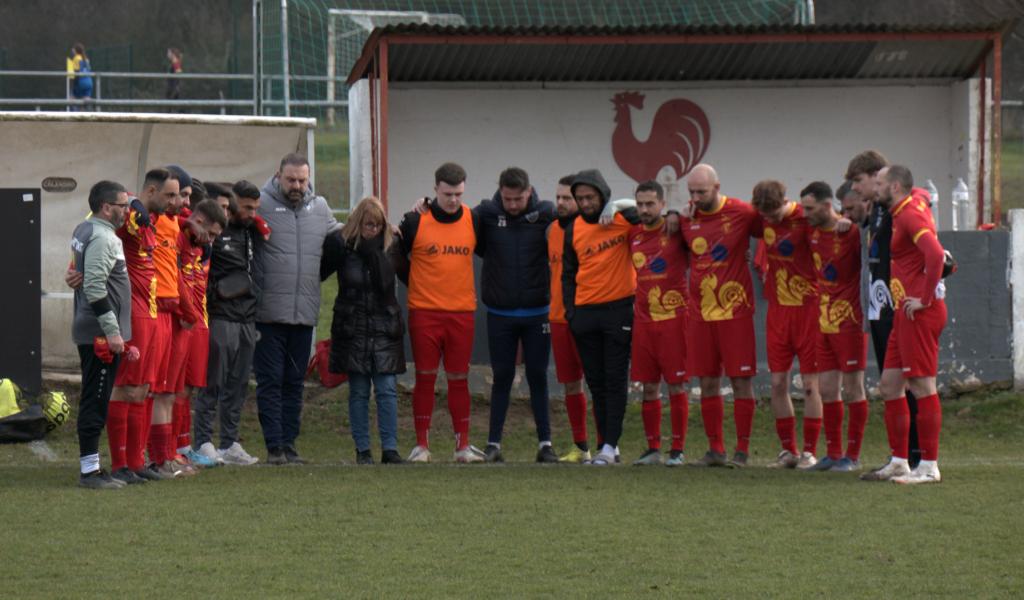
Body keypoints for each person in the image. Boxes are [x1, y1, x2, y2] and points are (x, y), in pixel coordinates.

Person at [863, 166, 947, 484]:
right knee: (890, 385)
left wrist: (925, 298)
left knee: (923, 386)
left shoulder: (909, 214)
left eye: (880, 183)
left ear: (895, 186)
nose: (875, 188)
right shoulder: (906, 208)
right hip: (904, 312)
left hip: (918, 312)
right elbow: (921, 195)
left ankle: (929, 466)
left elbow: (936, 255)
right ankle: (900, 461)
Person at [253, 153, 339, 465]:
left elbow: (344, 233)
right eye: (291, 179)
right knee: (270, 380)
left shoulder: (321, 208)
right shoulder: (260, 205)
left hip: (304, 312)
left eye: (302, 180)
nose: (297, 186)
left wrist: (387, 226)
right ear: (278, 176)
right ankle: (274, 446)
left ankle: (289, 444)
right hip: (268, 313)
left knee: (294, 381)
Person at [398, 162, 484, 463]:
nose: (453, 200)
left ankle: (462, 446)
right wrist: (414, 282)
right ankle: (421, 445)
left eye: (459, 194)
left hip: (462, 312)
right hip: (425, 312)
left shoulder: (474, 219)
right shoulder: (415, 220)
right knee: (425, 377)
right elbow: (394, 254)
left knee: (459, 378)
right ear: (435, 189)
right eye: (447, 194)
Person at [845, 150, 923, 469]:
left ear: (881, 178)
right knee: (891, 385)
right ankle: (900, 455)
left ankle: (917, 454)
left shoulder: (902, 206)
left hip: (896, 306)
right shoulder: (877, 210)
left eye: (859, 181)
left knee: (910, 383)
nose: (856, 188)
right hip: (879, 308)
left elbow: (920, 201)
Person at [475, 167, 559, 464]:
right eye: (507, 199)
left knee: (538, 375)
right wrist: (422, 207)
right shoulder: (486, 213)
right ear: (500, 192)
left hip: (538, 312)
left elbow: (579, 222)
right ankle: (493, 444)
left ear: (529, 192)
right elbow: (453, 220)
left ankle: (545, 445)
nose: (512, 205)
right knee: (502, 376)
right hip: (500, 313)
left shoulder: (547, 213)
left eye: (518, 199)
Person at [680, 164, 759, 468]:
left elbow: (773, 228)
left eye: (702, 191)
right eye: (692, 192)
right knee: (708, 382)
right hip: (700, 315)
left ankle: (742, 450)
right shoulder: (686, 219)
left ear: (717, 187)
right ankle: (715, 449)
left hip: (735, 313)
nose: (696, 197)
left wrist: (758, 258)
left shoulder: (742, 212)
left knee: (741, 381)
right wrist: (674, 215)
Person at [561, 169, 640, 466]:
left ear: (602, 195)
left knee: (615, 379)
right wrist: (572, 313)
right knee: (596, 382)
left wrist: (615, 205)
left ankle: (609, 445)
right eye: (580, 198)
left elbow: (647, 209)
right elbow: (568, 274)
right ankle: (608, 444)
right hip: (585, 315)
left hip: (618, 310)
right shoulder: (574, 228)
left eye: (590, 197)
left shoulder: (621, 218)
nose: (585, 203)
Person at [320, 197, 406, 465]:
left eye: (378, 225)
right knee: (358, 390)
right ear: (358, 223)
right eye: (369, 225)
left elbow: (402, 276)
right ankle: (363, 450)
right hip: (353, 325)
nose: (374, 230)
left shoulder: (391, 245)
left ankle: (390, 448)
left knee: (387, 388)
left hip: (384, 325)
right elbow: (320, 271)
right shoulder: (341, 245)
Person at [108, 169, 176, 482]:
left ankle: (136, 462)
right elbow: (97, 223)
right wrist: (133, 201)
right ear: (150, 191)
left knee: (145, 389)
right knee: (126, 387)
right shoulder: (130, 216)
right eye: (169, 195)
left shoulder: (154, 220)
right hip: (133, 312)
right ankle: (120, 463)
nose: (175, 201)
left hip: (151, 312)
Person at [750, 180, 822, 470]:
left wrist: (843, 221)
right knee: (778, 383)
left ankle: (809, 451)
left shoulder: (805, 218)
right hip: (778, 311)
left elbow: (833, 223)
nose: (770, 219)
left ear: (785, 201)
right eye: (765, 215)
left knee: (810, 384)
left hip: (809, 310)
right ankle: (788, 450)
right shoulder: (761, 218)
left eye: (774, 213)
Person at [193, 181, 265, 465]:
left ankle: (230, 442)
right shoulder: (211, 235)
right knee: (213, 381)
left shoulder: (251, 231)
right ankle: (203, 441)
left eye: (255, 208)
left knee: (238, 383)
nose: (251, 213)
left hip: (247, 315)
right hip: (221, 315)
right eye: (246, 207)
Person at [801, 181, 869, 473]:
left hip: (849, 322)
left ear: (828, 206)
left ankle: (852, 456)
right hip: (823, 321)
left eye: (810, 209)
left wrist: (851, 222)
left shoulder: (851, 233)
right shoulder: (812, 231)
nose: (805, 214)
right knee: (827, 390)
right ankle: (832, 453)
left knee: (854, 389)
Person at [71, 181, 133, 488]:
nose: (128, 211)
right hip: (99, 334)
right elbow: (95, 288)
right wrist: (113, 332)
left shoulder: (85, 229)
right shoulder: (103, 237)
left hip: (92, 329)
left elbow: (80, 274)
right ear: (107, 208)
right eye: (123, 205)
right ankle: (90, 472)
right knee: (95, 400)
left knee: (95, 398)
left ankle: (93, 468)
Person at [623, 181, 690, 467]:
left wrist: (677, 213)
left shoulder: (676, 230)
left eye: (650, 204)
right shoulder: (633, 233)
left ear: (662, 204)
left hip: (675, 320)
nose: (644, 209)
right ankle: (653, 448)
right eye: (640, 204)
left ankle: (677, 449)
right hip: (643, 321)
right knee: (648, 387)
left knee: (676, 384)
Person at [146, 166, 193, 478]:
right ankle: (152, 457)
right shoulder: (146, 218)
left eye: (184, 195)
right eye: (176, 195)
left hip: (173, 312)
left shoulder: (175, 222)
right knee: (151, 391)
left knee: (170, 391)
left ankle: (165, 455)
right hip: (154, 310)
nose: (181, 202)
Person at [549, 175, 592, 463]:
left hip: (588, 317)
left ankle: (608, 446)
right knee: (571, 384)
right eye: (559, 198)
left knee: (597, 383)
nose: (562, 203)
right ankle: (581, 446)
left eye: (568, 198)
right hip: (557, 317)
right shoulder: (551, 229)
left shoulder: (595, 228)